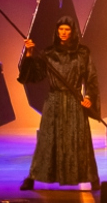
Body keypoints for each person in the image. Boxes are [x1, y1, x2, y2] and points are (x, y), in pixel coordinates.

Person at [17, 16, 100, 191]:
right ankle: (32, 177)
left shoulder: (82, 53)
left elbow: (91, 77)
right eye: (60, 29)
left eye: (67, 29)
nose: (63, 32)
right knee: (47, 140)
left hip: (74, 101)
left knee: (80, 140)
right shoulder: (48, 54)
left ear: (73, 31)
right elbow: (34, 76)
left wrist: (89, 97)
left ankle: (92, 178)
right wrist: (29, 54)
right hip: (54, 101)